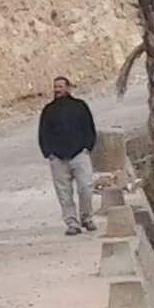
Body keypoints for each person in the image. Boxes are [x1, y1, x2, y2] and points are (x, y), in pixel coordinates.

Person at [38, 75, 100, 236]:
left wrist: (88, 147)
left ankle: (87, 218)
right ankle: (72, 223)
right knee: (64, 194)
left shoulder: (80, 106)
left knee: (85, 188)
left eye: (60, 86)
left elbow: (89, 128)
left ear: (68, 88)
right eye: (55, 87)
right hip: (58, 158)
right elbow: (43, 133)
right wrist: (49, 153)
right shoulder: (48, 110)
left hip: (80, 154)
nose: (57, 89)